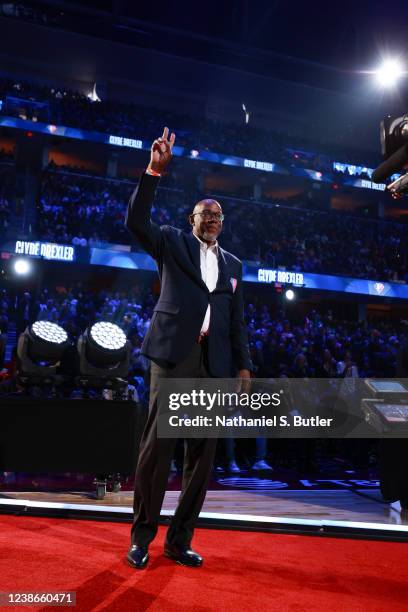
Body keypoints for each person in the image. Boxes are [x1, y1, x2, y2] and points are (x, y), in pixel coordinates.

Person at [125, 127, 252, 569]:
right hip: (174, 357)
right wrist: (153, 172)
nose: (213, 218)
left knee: (202, 457)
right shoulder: (170, 242)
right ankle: (141, 538)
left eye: (218, 214)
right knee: (158, 449)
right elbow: (135, 222)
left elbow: (237, 322)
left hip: (214, 367)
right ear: (191, 220)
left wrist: (243, 369)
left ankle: (179, 541)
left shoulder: (234, 264)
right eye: (205, 213)